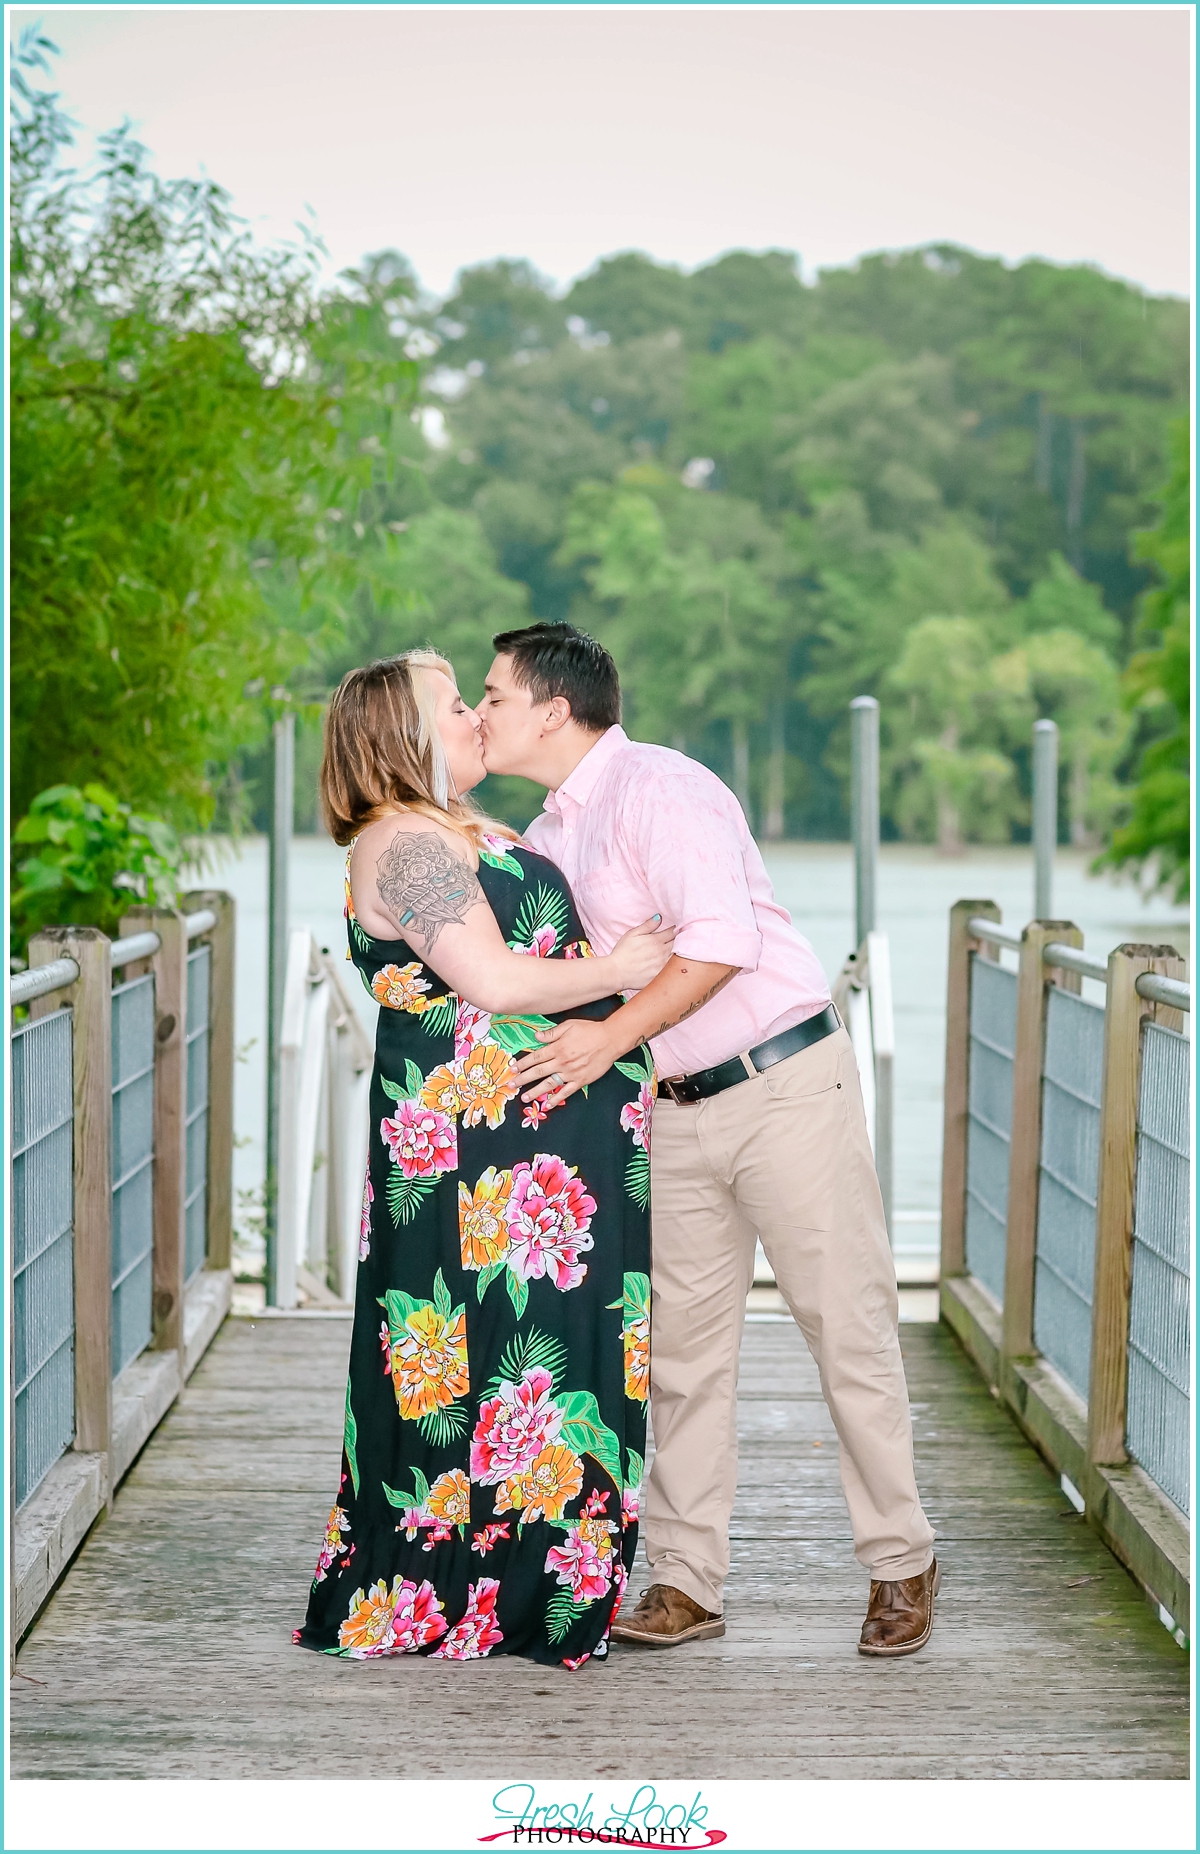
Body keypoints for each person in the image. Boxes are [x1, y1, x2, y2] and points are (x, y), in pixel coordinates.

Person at [477, 623, 939, 1659]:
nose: (483, 710)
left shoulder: (663, 788)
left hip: (784, 1086)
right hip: (672, 1107)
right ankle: (688, 1581)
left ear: (555, 709)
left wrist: (603, 1043)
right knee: (682, 1357)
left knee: (846, 1329)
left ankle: (901, 1562)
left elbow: (720, 946)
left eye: (495, 694)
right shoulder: (548, 835)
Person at [295, 649, 672, 1668]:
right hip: (476, 1171)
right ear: (402, 737)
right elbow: (493, 980)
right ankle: (470, 1588)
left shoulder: (460, 830)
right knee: (476, 1359)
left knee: (547, 1354)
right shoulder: (400, 846)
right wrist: (626, 970)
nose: (472, 717)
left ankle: (545, 1582)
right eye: (453, 705)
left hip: (535, 1164)